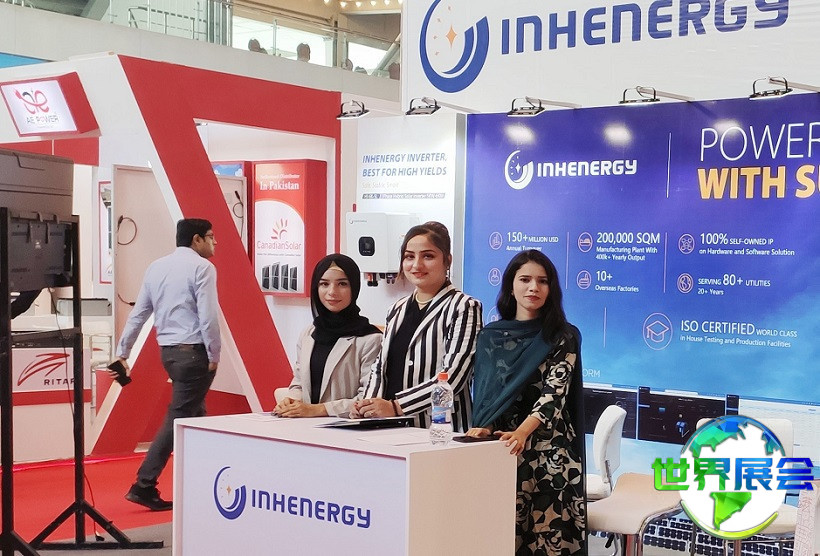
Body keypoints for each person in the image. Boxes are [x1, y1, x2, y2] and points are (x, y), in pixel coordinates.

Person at [466, 249, 586, 555]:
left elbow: (554, 394)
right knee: (502, 539)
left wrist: (522, 432)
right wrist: (485, 426)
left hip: (548, 451)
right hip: (502, 449)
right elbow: (488, 393)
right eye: (525, 279)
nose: (534, 287)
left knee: (546, 542)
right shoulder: (491, 337)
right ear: (511, 286)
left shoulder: (562, 336)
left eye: (542, 281)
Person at [112, 218, 220, 511]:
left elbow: (139, 313)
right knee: (179, 417)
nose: (214, 242)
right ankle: (144, 485)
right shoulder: (203, 268)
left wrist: (123, 352)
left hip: (169, 353)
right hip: (194, 353)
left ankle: (201, 479)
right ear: (196, 239)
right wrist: (214, 354)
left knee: (195, 416)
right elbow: (208, 316)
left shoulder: (156, 267)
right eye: (210, 236)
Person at [353, 222, 482, 431]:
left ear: (447, 260)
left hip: (440, 429)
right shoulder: (396, 309)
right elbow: (380, 367)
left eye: (428, 256)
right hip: (390, 428)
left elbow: (454, 377)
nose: (416, 265)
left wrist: (397, 407)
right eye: (409, 256)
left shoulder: (463, 306)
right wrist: (367, 407)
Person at [273, 254, 381, 417]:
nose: (332, 292)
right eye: (324, 284)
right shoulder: (309, 334)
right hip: (304, 426)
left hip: (346, 426)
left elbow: (369, 398)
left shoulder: (371, 339)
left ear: (354, 287)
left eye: (342, 284)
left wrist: (319, 410)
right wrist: (290, 400)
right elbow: (299, 383)